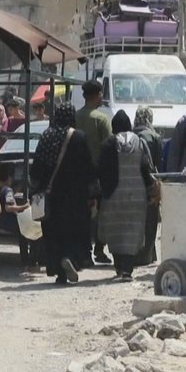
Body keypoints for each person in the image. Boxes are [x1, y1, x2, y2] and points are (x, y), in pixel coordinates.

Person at [30, 104, 98, 284]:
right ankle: (70, 258)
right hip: (74, 197)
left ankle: (59, 273)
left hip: (50, 197)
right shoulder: (79, 137)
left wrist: (35, 190)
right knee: (74, 231)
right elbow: (88, 168)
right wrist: (93, 194)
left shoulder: (46, 136)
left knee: (53, 233)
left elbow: (36, 167)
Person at [98, 110, 158, 280]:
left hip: (113, 195)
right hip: (136, 195)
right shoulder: (139, 142)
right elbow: (146, 168)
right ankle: (127, 269)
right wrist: (150, 189)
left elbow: (101, 169)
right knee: (132, 230)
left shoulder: (108, 143)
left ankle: (119, 267)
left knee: (116, 231)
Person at [75, 80, 113, 265]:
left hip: (77, 174)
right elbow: (110, 147)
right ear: (97, 95)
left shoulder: (75, 117)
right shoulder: (101, 119)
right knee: (100, 214)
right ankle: (99, 249)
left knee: (81, 214)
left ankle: (84, 253)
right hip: (98, 175)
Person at [132, 106, 162, 266]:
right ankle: (148, 254)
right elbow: (157, 163)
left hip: (132, 182)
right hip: (149, 183)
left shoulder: (130, 134)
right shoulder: (154, 136)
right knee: (150, 221)